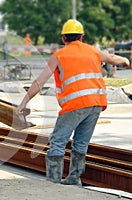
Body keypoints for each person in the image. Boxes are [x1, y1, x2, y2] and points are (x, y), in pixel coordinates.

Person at [16, 19, 130, 185]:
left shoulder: (59, 56)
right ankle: (74, 179)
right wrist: (125, 61)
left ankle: (53, 182)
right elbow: (113, 58)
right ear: (82, 36)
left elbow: (39, 83)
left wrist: (23, 103)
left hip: (75, 104)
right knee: (81, 143)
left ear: (64, 39)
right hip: (96, 103)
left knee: (58, 141)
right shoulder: (93, 51)